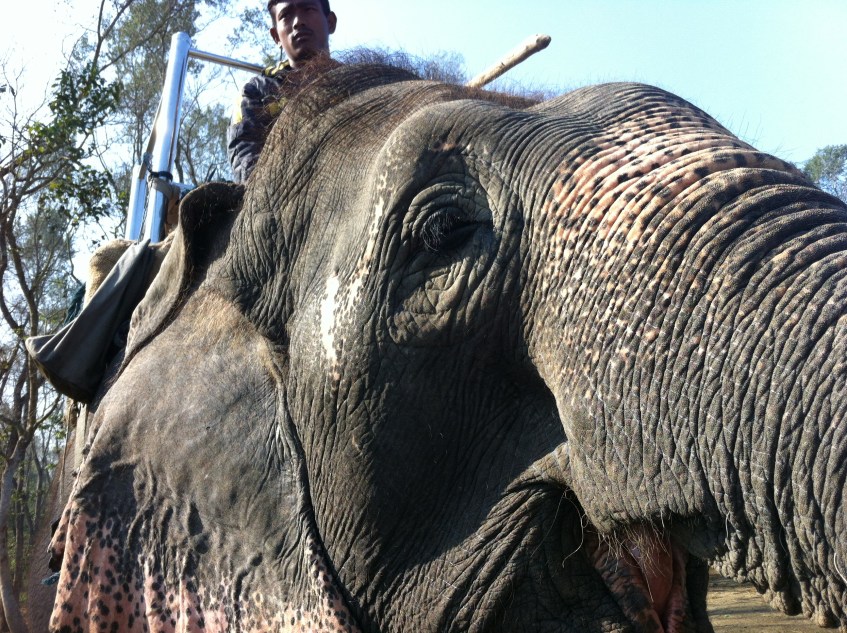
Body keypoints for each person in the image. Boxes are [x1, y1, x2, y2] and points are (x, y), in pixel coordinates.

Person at [227, 0, 338, 182]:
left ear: (331, 22)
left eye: (308, 9)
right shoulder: (255, 93)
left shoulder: (369, 82)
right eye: (286, 15)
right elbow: (247, 166)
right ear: (276, 37)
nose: (298, 22)